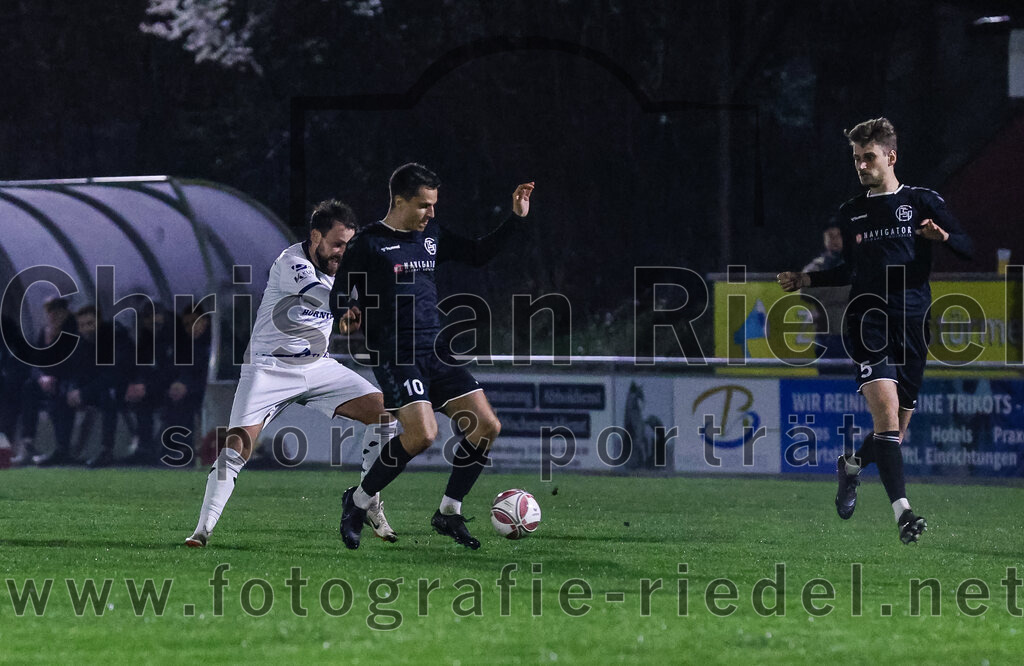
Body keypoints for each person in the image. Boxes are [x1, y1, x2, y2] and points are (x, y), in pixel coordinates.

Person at [777, 117, 972, 544]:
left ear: (890, 156)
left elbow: (968, 245)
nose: (862, 166)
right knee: (885, 418)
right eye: (856, 159)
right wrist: (807, 280)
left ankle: (850, 467)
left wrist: (942, 238)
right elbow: (850, 270)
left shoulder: (922, 201)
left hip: (915, 323)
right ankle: (904, 515)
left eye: (869, 157)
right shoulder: (853, 212)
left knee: (896, 434)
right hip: (867, 321)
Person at [332, 162, 534, 550]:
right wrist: (346, 311)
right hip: (396, 352)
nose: (432, 213)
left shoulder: (433, 235)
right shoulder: (369, 242)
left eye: (434, 204)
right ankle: (357, 502)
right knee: (423, 435)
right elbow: (341, 291)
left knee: (487, 426)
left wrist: (515, 219)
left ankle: (449, 512)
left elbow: (476, 254)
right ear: (399, 200)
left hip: (437, 348)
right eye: (424, 205)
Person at [185, 199, 399, 548]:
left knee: (385, 414)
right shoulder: (291, 261)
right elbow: (317, 295)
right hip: (269, 368)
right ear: (315, 236)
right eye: (337, 243)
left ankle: (368, 498)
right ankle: (202, 531)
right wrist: (348, 306)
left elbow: (343, 312)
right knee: (238, 446)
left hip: (317, 365)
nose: (342, 252)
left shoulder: (346, 267)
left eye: (348, 244)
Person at [18, 296, 78, 466]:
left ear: (65, 313)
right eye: (50, 311)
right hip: (47, 381)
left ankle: (62, 449)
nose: (53, 315)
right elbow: (35, 363)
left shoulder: (73, 331)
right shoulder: (44, 331)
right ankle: (27, 441)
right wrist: (42, 377)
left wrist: (53, 378)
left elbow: (74, 364)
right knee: (28, 387)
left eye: (57, 312)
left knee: (61, 395)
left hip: (66, 380)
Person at [63, 305, 121, 468]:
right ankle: (64, 450)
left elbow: (113, 375)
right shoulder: (79, 343)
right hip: (91, 390)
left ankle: (106, 450)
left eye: (90, 323)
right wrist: (73, 390)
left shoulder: (112, 338)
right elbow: (73, 371)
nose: (86, 329)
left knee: (108, 397)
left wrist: (83, 392)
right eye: (81, 325)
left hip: (116, 388)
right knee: (59, 395)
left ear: (99, 322)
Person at [800, 219, 849, 360]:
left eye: (838, 235)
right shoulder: (817, 266)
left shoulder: (856, 263)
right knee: (826, 376)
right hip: (826, 334)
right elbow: (804, 292)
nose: (834, 240)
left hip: (853, 334)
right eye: (830, 236)